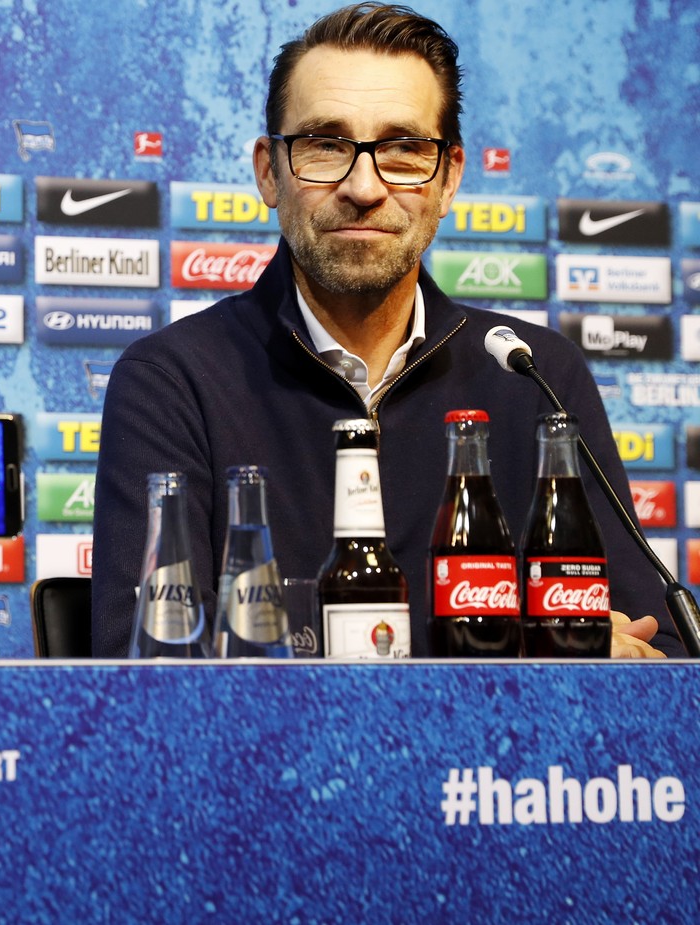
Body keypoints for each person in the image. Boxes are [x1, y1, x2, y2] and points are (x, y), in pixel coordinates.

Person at [93, 3, 680, 658]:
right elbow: (145, 675)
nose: (365, 187)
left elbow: (654, 648)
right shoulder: (172, 380)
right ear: (268, 171)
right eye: (326, 145)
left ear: (450, 176)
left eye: (404, 151)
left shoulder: (536, 373)